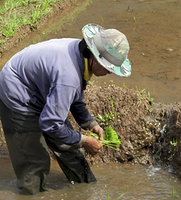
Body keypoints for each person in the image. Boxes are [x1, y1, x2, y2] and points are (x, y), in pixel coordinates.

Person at [0, 23, 131, 195]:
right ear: (95, 58)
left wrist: (90, 123)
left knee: (70, 148)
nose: (110, 72)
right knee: (34, 164)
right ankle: (30, 193)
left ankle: (85, 190)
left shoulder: (80, 55)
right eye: (108, 68)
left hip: (39, 89)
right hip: (17, 93)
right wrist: (85, 141)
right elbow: (51, 124)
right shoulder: (68, 76)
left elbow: (75, 98)